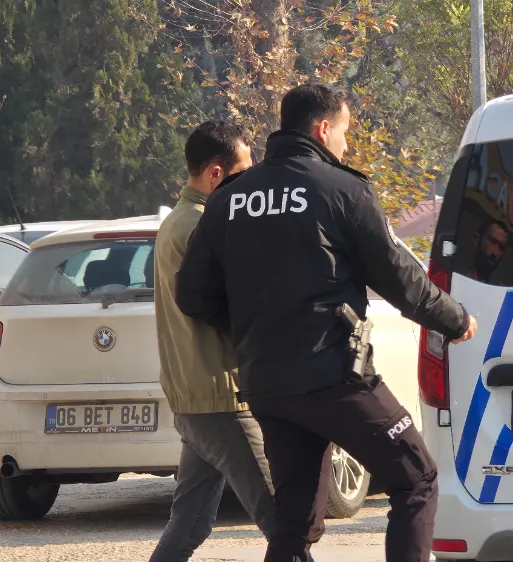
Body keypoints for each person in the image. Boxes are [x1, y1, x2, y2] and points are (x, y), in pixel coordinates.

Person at [174, 83, 478, 562]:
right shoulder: (343, 190)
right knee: (416, 477)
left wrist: (258, 323)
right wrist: (455, 319)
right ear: (321, 129)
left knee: (293, 524)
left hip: (267, 384)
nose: (346, 145)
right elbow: (401, 280)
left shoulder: (229, 199)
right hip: (333, 376)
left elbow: (192, 297)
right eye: (344, 132)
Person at [150, 120, 284, 562]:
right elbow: (239, 304)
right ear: (215, 174)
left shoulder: (179, 222)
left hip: (195, 399)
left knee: (190, 525)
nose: (250, 183)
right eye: (243, 172)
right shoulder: (202, 227)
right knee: (287, 523)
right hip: (222, 400)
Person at [466, 219, 509, 283]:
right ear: (477, 240)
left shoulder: (498, 289)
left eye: (501, 248)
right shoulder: (455, 280)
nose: (495, 252)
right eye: (492, 241)